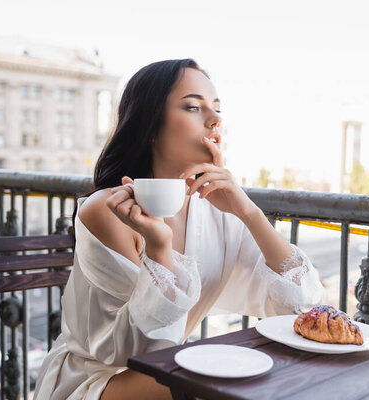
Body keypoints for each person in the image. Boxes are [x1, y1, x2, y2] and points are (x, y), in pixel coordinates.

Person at [33, 59, 326, 400]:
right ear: (151, 126)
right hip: (97, 381)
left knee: (277, 372)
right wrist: (159, 249)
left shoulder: (217, 208)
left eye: (216, 109)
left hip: (167, 372)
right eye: (192, 106)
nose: (215, 120)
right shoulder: (109, 209)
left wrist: (248, 212)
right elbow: (140, 350)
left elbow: (302, 306)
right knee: (221, 388)